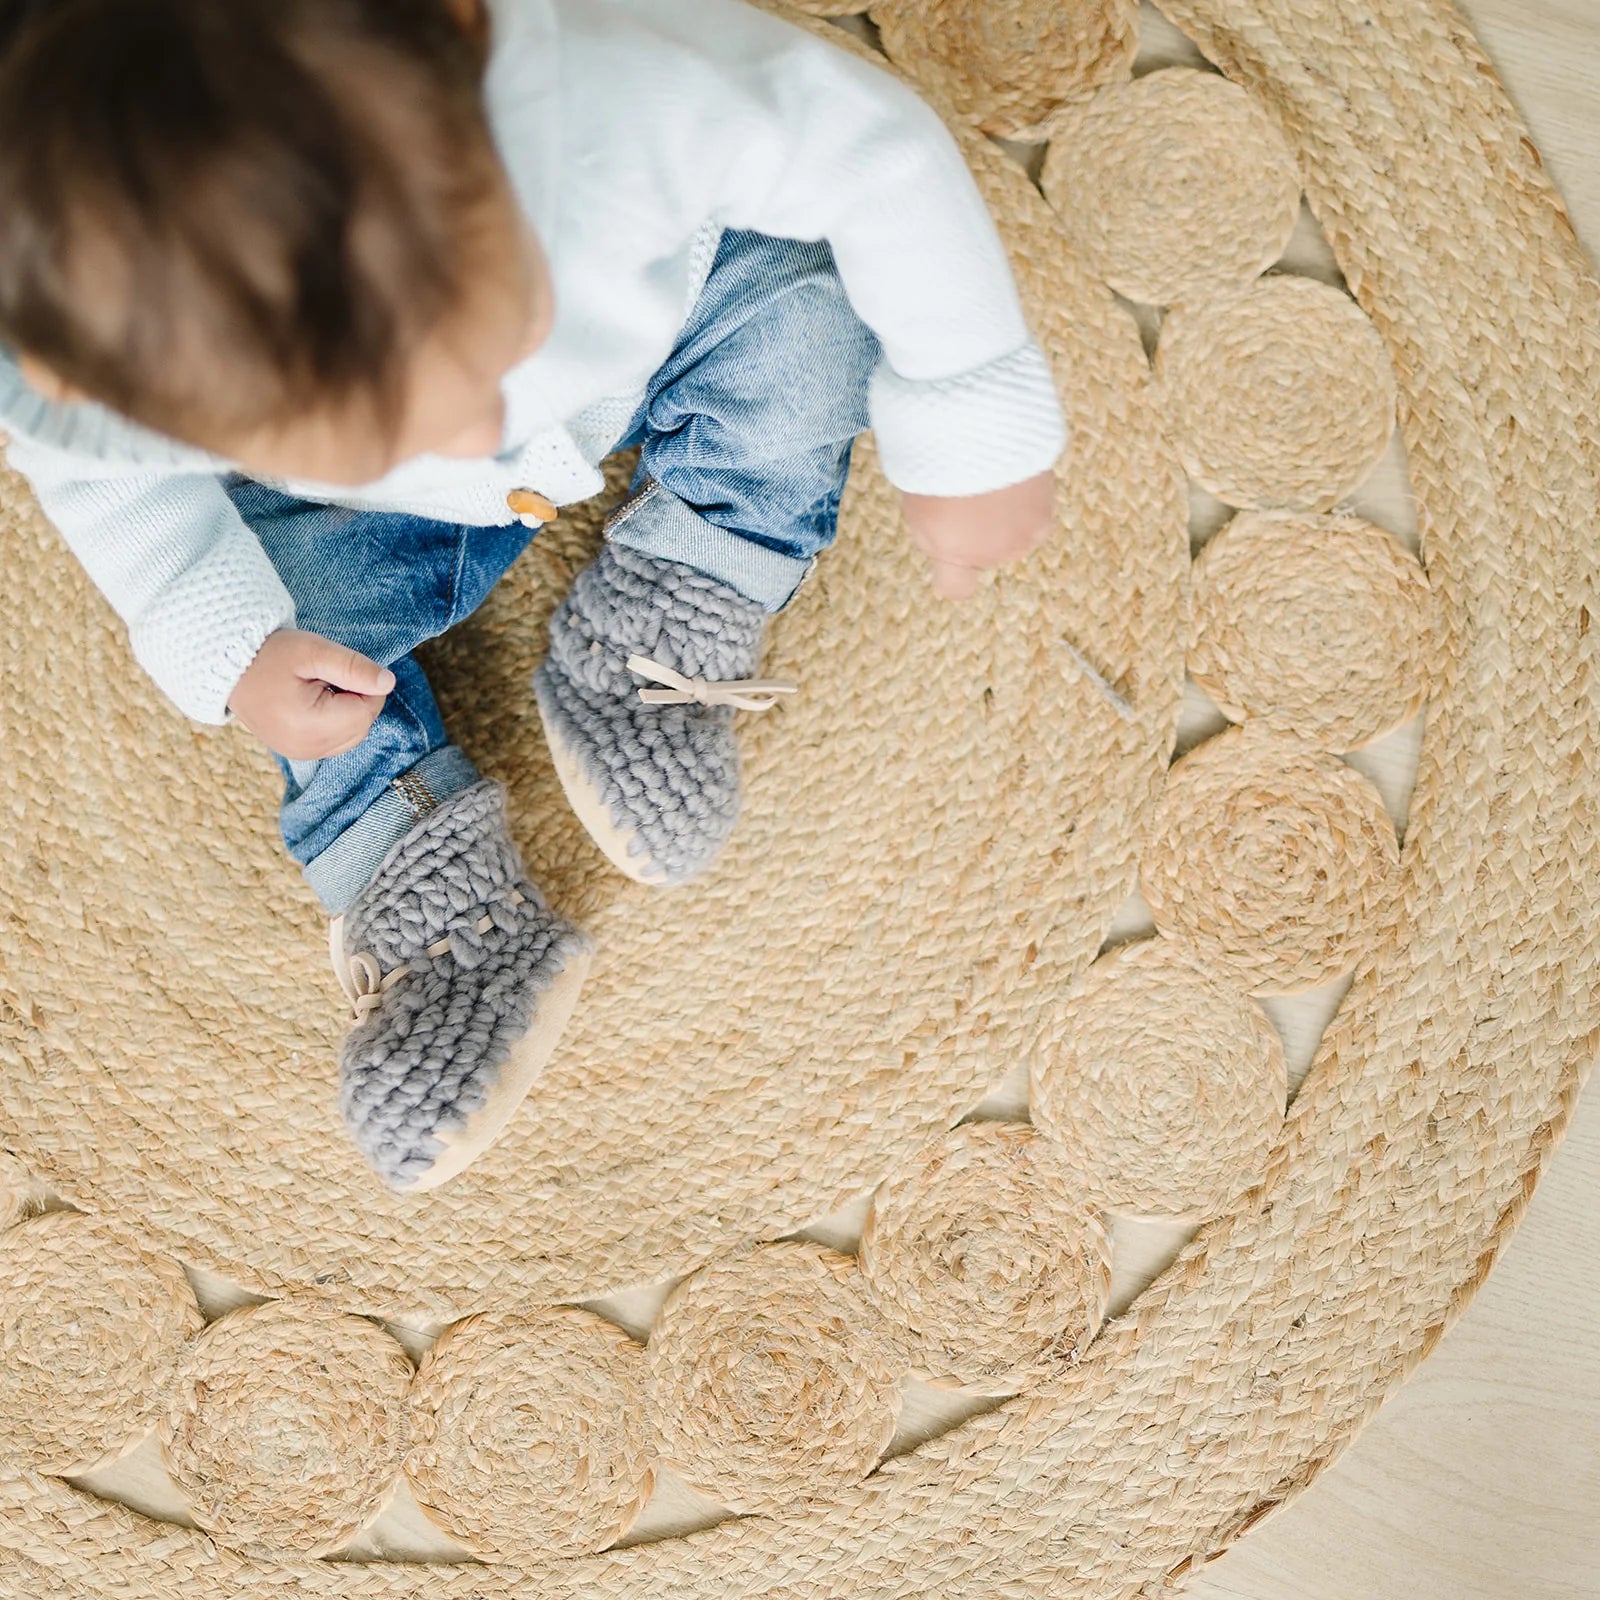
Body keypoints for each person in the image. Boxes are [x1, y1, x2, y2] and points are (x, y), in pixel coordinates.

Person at [0, 0, 1066, 1190]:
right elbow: (102, 482)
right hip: (362, 527)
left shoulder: (611, 91)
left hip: (665, 318)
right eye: (380, 423)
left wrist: (972, 411)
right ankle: (423, 883)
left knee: (802, 312)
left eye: (497, 325)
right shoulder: (106, 346)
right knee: (292, 650)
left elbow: (873, 151)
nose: (477, 427)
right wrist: (228, 642)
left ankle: (683, 584)